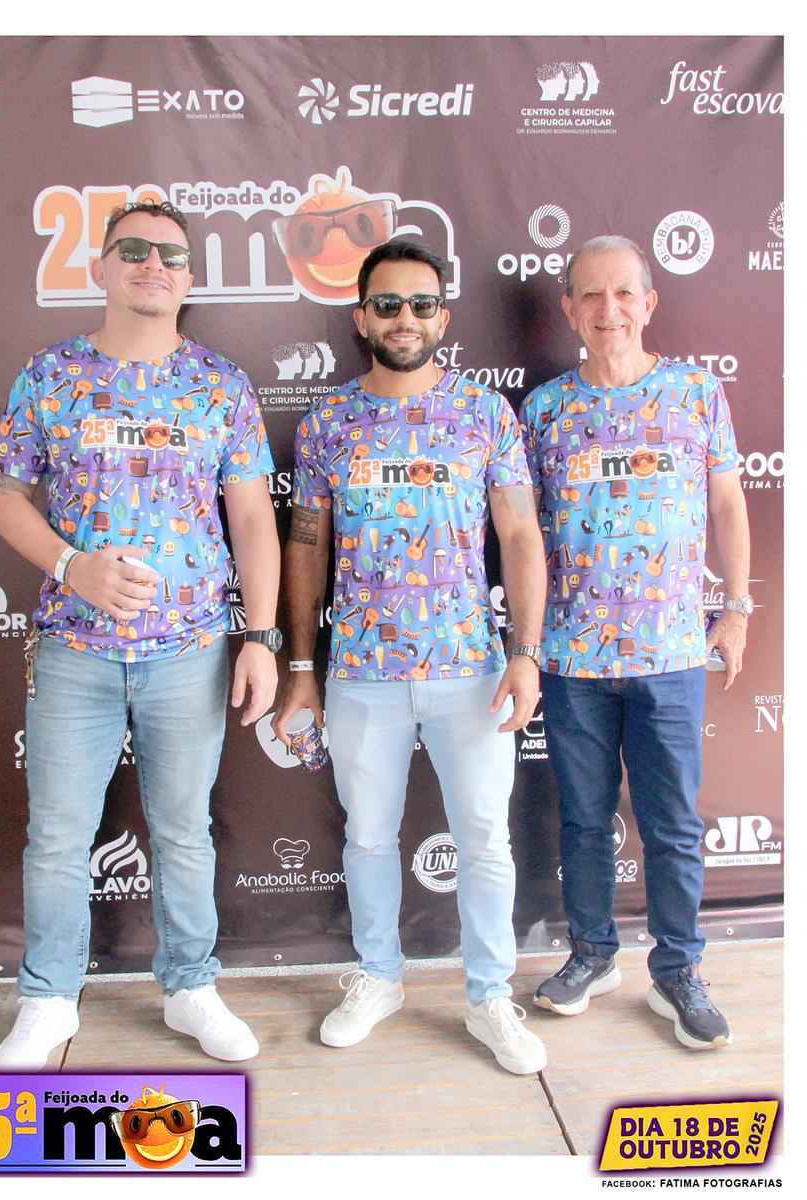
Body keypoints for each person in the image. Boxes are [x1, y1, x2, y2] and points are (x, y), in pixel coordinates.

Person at [0, 200, 281, 1069]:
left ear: (188, 278)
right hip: (73, 650)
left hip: (189, 653)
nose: (154, 265)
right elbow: (1, 495)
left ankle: (190, 988)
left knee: (184, 832)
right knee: (56, 838)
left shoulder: (220, 383)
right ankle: (47, 999)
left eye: (172, 255)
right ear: (102, 267)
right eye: (135, 250)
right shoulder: (51, 375)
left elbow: (252, 519)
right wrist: (71, 565)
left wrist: (260, 637)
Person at [272, 239, 548, 1074]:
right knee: (366, 837)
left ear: (442, 319)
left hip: (470, 669)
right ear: (361, 317)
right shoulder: (326, 423)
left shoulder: (485, 415)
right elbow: (306, 547)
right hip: (361, 673)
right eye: (387, 304)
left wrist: (524, 652)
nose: (404, 318)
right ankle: (379, 977)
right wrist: (300, 667)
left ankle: (489, 997)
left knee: (485, 840)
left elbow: (519, 534)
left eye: (420, 304)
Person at [519, 235, 750, 1050]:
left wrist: (737, 608)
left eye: (622, 293)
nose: (606, 309)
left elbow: (727, 504)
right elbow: (519, 534)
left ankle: (678, 970)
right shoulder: (542, 410)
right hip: (571, 657)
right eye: (589, 294)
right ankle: (591, 954)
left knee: (671, 824)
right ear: (567, 309)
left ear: (648, 304)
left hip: (670, 655)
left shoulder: (694, 393)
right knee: (583, 821)